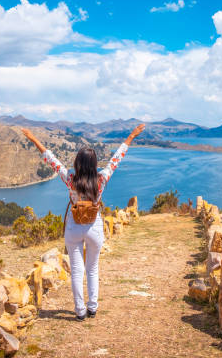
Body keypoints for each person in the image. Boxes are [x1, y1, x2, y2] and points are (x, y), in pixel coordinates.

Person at [21, 124, 145, 320]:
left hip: (73, 227)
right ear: (94, 164)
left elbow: (51, 159)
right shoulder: (101, 179)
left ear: (78, 163)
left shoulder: (71, 179)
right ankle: (92, 307)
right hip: (94, 227)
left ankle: (80, 311)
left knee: (77, 271)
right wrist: (132, 135)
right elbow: (117, 159)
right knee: (92, 269)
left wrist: (33, 138)